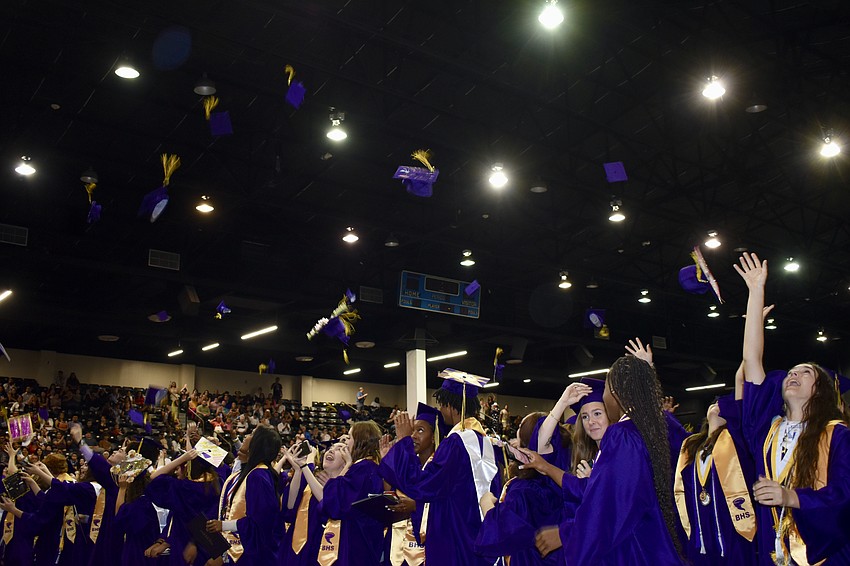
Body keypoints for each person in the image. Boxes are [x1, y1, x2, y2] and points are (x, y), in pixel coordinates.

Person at [735, 251, 850, 564]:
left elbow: (845, 494)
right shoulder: (767, 429)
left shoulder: (836, 436)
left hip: (825, 554)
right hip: (771, 552)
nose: (793, 374)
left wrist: (792, 497)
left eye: (805, 372)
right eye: (791, 372)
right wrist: (755, 291)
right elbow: (751, 361)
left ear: (820, 392)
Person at [535, 356, 684, 564]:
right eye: (585, 416)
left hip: (632, 550)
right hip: (655, 545)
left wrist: (565, 533)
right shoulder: (649, 430)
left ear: (615, 393)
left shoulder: (622, 434)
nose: (591, 421)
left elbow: (611, 505)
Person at [380, 369, 501, 565]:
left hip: (455, 535)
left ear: (452, 406)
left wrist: (403, 443)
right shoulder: (485, 442)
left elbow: (423, 485)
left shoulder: (456, 442)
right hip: (478, 532)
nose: (442, 411)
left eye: (442, 405)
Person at [475, 411, 566, 565]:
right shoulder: (567, 482)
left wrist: (487, 504)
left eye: (519, 441)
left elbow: (501, 532)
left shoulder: (523, 490)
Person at [299, 421, 384, 565]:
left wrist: (339, 477)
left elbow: (335, 506)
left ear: (360, 440)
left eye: (349, 438)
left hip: (355, 544)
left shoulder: (361, 469)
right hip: (363, 541)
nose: (346, 443)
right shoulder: (370, 468)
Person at [207, 424, 282, 565]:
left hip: (248, 554)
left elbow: (261, 522)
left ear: (258, 444)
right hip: (232, 549)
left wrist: (224, 525)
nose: (247, 436)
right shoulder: (245, 473)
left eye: (252, 434)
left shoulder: (258, 476)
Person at [279, 441, 348, 565]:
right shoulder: (312, 480)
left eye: (339, 449)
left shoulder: (344, 488)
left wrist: (305, 467)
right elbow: (290, 506)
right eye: (331, 447)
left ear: (346, 462)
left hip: (321, 547)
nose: (331, 450)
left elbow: (327, 502)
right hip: (294, 548)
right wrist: (298, 470)